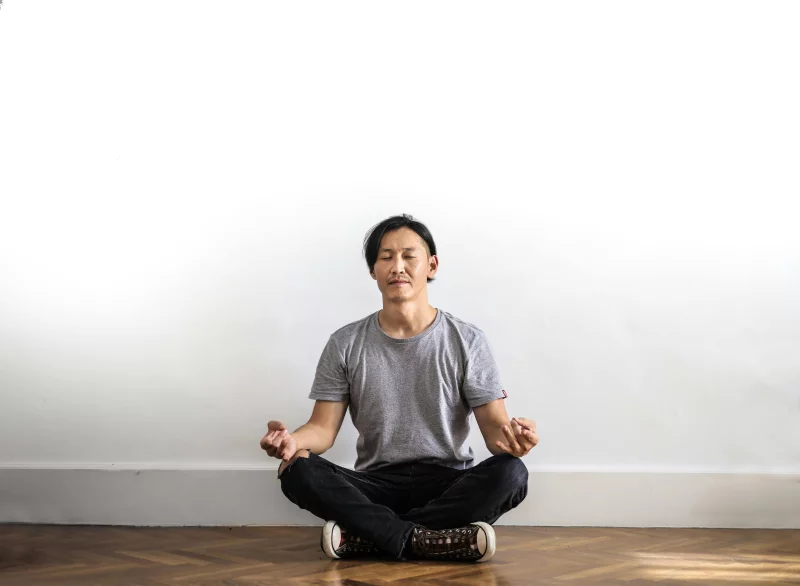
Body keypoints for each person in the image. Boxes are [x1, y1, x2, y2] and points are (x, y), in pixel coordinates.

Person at [259, 214, 539, 562]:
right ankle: (433, 539)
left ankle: (373, 536)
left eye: (409, 255)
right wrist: (292, 442)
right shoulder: (345, 343)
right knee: (296, 468)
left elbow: (495, 429)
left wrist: (514, 439)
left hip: (449, 482)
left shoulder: (468, 340)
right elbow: (322, 428)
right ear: (373, 270)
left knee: (512, 472)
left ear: (431, 266)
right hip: (375, 485)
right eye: (386, 256)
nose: (398, 266)